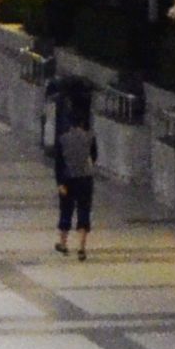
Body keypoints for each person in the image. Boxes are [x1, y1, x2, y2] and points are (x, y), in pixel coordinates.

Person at [49, 102, 101, 256]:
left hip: (67, 178)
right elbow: (94, 156)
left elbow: (58, 163)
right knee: (84, 210)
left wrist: (60, 183)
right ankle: (81, 247)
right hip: (85, 178)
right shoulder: (90, 137)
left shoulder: (63, 139)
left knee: (66, 210)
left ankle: (63, 243)